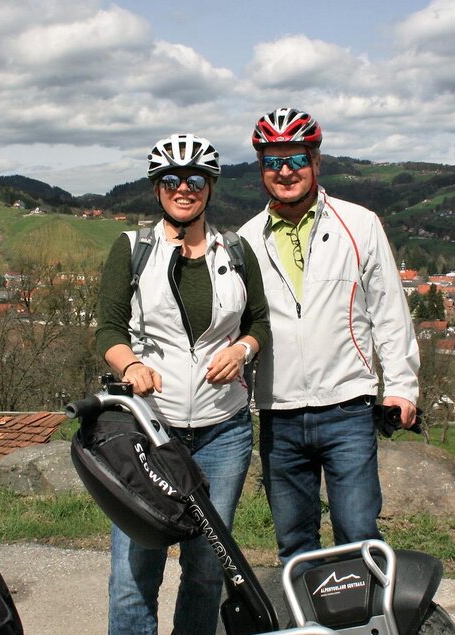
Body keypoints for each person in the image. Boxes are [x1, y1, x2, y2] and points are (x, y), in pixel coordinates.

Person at [94, 133, 270, 635]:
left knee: (207, 567)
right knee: (135, 569)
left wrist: (242, 350)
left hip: (223, 430)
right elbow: (108, 327)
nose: (183, 188)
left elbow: (260, 322)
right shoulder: (132, 248)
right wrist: (129, 366)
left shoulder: (234, 250)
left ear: (210, 187)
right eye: (171, 180)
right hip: (151, 432)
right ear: (157, 189)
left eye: (195, 180)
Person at [236, 108, 420, 566]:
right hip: (278, 411)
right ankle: (310, 628)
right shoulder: (245, 239)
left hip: (347, 408)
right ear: (260, 168)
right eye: (273, 161)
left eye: (296, 158)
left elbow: (390, 313)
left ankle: (367, 625)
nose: (285, 171)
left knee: (358, 534)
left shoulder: (359, 224)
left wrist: (400, 387)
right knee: (295, 545)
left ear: (317, 162)